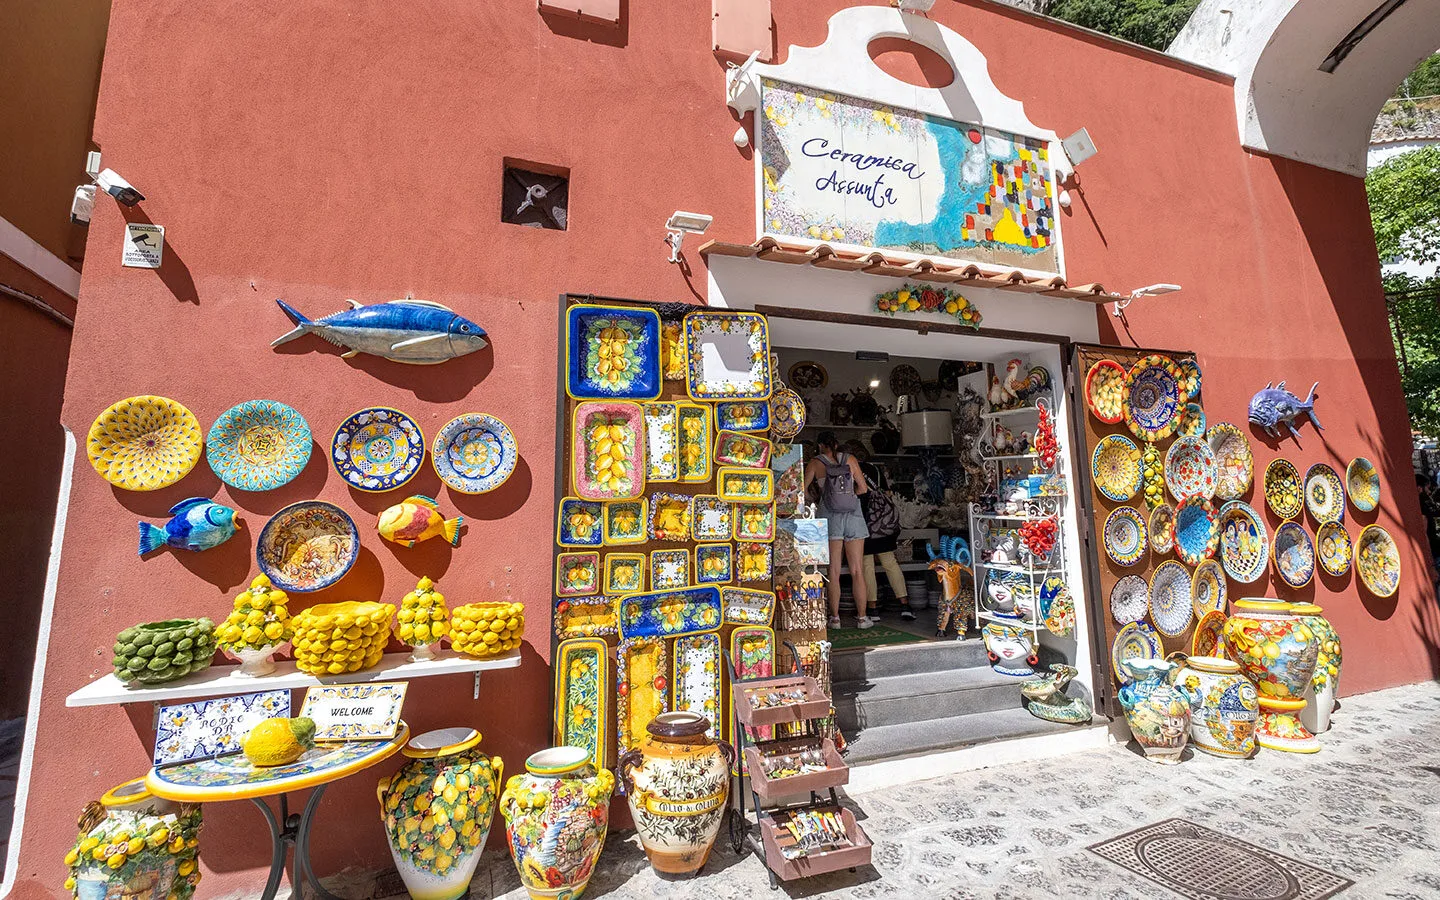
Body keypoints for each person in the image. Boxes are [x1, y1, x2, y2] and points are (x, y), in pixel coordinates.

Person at [805, 432, 870, 629]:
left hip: (830, 516)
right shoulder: (850, 459)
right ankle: (862, 618)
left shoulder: (815, 463)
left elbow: (802, 489)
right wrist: (849, 497)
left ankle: (834, 618)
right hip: (854, 516)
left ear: (820, 446)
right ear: (836, 444)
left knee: (833, 570)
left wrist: (815, 500)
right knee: (857, 570)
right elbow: (863, 488)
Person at [848, 444, 912, 621]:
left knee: (866, 565)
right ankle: (905, 604)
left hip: (864, 522)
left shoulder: (851, 470)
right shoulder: (875, 470)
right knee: (890, 563)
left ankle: (873, 608)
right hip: (882, 524)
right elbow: (888, 493)